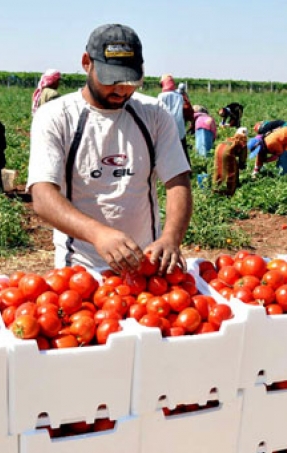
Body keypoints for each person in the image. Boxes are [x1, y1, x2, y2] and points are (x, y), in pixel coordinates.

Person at [27, 23, 192, 274]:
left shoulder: (155, 115)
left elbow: (177, 180)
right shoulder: (56, 117)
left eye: (129, 80)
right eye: (110, 78)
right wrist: (97, 234)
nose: (121, 89)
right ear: (86, 63)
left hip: (146, 263)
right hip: (81, 268)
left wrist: (171, 238)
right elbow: (42, 195)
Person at [156, 74, 188, 156]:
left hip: (167, 127)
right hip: (180, 127)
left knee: (167, 154)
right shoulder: (179, 96)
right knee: (183, 153)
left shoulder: (161, 96)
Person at [211, 127, 248, 196]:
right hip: (227, 152)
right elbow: (242, 158)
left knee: (219, 168)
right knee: (230, 171)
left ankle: (216, 189)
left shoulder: (231, 138)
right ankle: (228, 192)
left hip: (219, 149)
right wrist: (242, 165)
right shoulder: (243, 141)